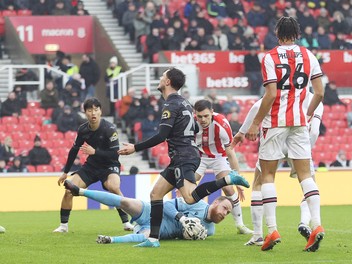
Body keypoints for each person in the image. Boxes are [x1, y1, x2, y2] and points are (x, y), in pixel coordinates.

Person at [118, 67, 250, 248]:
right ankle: (153, 239)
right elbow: (194, 129)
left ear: (167, 82)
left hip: (183, 156)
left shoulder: (171, 104)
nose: (160, 78)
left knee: (188, 198)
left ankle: (227, 179)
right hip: (183, 155)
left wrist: (135, 147)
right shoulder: (185, 103)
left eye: (163, 76)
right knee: (155, 194)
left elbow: (161, 135)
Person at [245, 17, 325, 252]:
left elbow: (270, 94)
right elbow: (319, 92)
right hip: (300, 124)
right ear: (297, 33)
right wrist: (306, 114)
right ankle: (317, 225)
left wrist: (255, 124)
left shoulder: (269, 57)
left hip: (275, 123)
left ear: (277, 32)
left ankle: (272, 231)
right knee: (305, 176)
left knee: (267, 176)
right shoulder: (309, 55)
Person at [233, 92, 324, 247]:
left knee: (260, 181)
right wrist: (305, 153)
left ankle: (259, 234)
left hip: (276, 134)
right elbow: (314, 131)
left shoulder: (280, 91)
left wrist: (242, 131)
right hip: (300, 139)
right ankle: (308, 223)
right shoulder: (315, 99)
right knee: (308, 181)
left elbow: (256, 107)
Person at [53, 98, 135, 233]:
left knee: (114, 187)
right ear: (85, 112)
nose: (93, 113)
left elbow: (115, 155)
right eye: (90, 110)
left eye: (96, 110)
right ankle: (63, 226)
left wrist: (95, 152)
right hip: (91, 166)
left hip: (109, 165)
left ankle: (126, 222)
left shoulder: (110, 129)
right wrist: (65, 172)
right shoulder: (83, 129)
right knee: (69, 190)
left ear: (101, 111)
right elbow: (74, 150)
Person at [63, 180, 232, 244]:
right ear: (216, 202)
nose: (225, 214)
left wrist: (190, 234)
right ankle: (80, 191)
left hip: (162, 232)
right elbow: (165, 205)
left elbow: (186, 237)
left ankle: (111, 240)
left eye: (228, 213)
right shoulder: (197, 204)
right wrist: (181, 218)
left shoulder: (210, 231)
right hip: (151, 212)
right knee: (124, 201)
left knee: (145, 237)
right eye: (225, 208)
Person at [193, 99, 253, 235]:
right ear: (194, 114)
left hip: (219, 157)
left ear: (212, 112)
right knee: (188, 186)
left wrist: (237, 179)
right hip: (199, 158)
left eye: (206, 116)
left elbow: (230, 152)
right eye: (199, 116)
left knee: (227, 187)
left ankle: (240, 225)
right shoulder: (190, 124)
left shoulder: (222, 124)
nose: (203, 119)